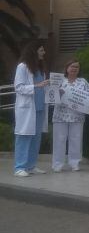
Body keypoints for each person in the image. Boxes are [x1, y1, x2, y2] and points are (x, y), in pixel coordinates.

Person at [12, 41, 48, 177]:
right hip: (27, 109)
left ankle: (31, 165)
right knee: (24, 136)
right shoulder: (23, 67)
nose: (44, 53)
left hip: (39, 108)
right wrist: (36, 86)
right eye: (41, 50)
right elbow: (19, 87)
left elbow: (42, 86)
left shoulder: (39, 68)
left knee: (35, 138)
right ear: (34, 51)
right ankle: (19, 167)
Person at [51, 59, 89, 172]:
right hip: (60, 115)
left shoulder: (83, 82)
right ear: (66, 68)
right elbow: (50, 98)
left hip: (77, 116)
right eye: (72, 66)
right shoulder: (59, 81)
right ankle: (57, 164)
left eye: (77, 67)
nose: (74, 69)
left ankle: (75, 162)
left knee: (76, 139)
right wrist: (58, 94)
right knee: (59, 139)